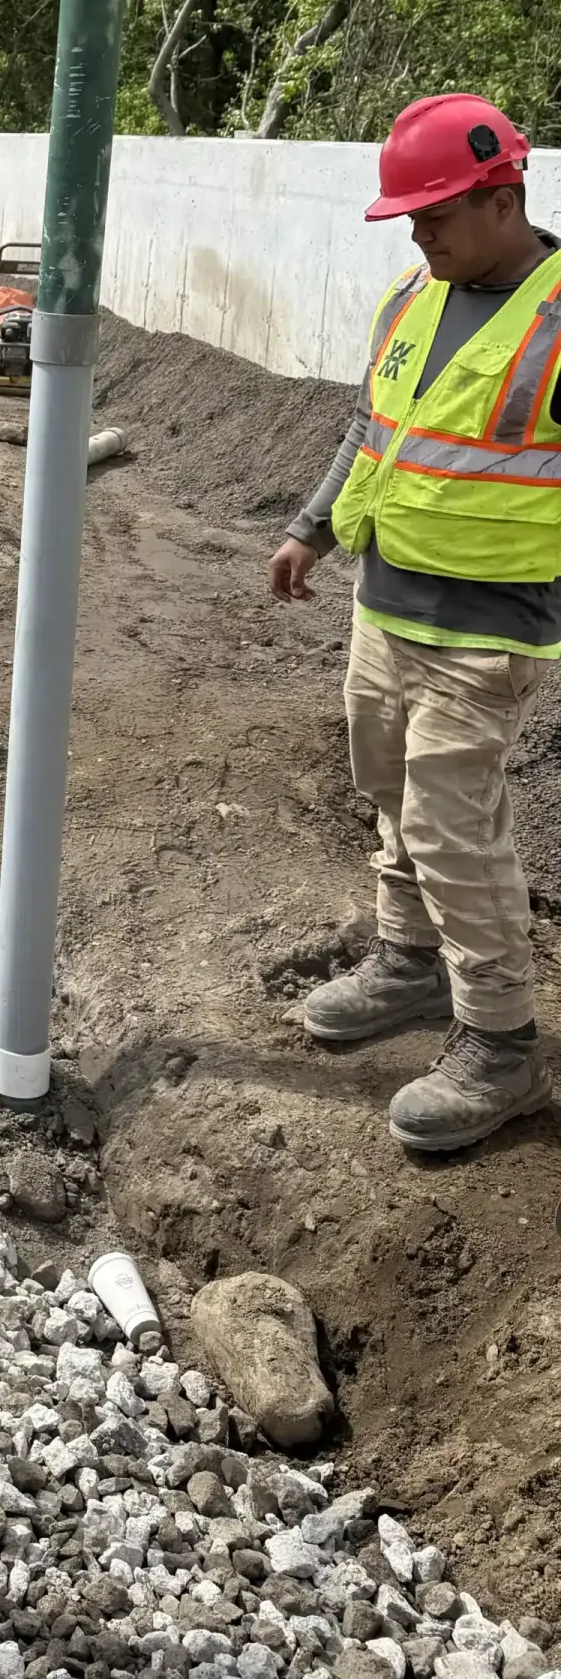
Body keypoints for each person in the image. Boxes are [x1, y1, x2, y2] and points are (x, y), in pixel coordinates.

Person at [270, 93, 560, 1152]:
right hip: (385, 605)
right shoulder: (414, 299)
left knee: (450, 820)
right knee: (387, 786)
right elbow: (371, 428)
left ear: (502, 197)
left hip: (490, 630)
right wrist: (312, 528)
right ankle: (408, 963)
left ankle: (501, 1041)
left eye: (436, 216)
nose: (419, 235)